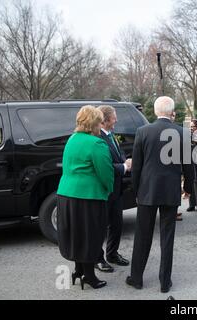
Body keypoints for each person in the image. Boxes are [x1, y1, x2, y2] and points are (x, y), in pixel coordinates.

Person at [127, 96, 192, 293]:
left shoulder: (143, 131)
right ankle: (165, 281)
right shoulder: (183, 133)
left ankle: (136, 278)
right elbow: (188, 166)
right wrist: (188, 187)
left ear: (156, 111)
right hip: (170, 189)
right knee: (167, 236)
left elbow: (136, 166)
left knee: (142, 235)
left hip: (147, 190)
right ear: (172, 112)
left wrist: (135, 189)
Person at [57, 105, 114, 290]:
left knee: (76, 235)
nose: (101, 125)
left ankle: (78, 271)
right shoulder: (96, 143)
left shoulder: (72, 139)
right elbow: (106, 172)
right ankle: (89, 276)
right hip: (88, 197)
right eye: (99, 122)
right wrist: (109, 190)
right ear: (94, 123)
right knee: (91, 236)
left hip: (66, 194)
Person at [95, 105, 131, 273]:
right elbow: (105, 166)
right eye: (114, 117)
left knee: (116, 223)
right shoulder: (97, 138)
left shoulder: (111, 135)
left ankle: (112, 254)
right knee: (101, 226)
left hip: (116, 189)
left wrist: (125, 161)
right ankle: (98, 258)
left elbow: (119, 152)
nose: (116, 120)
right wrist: (124, 167)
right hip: (103, 188)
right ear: (105, 120)